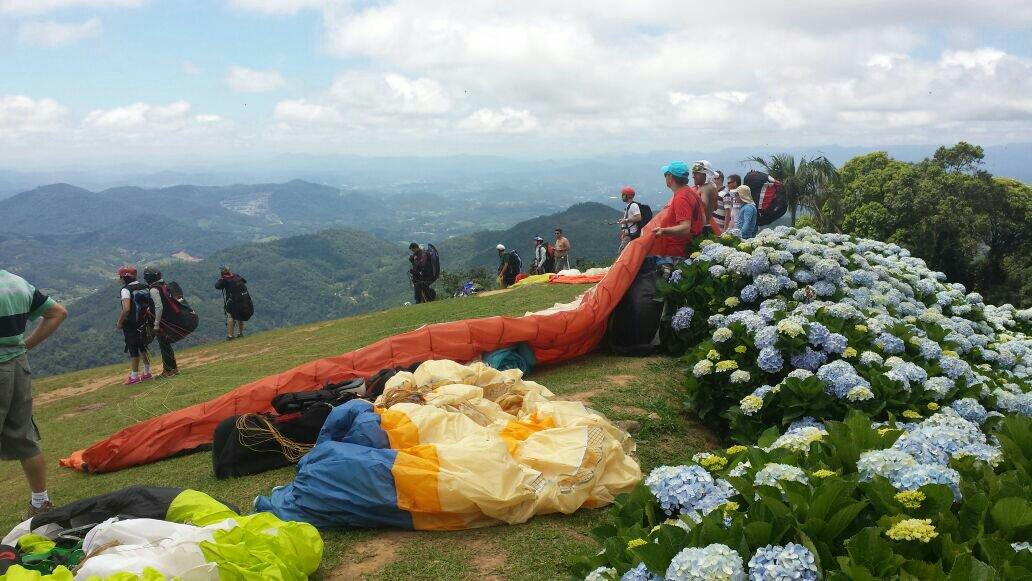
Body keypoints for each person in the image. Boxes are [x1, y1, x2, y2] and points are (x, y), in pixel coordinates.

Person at [0, 269, 67, 516]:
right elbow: (58, 313)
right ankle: (40, 503)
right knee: (26, 438)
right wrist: (24, 345)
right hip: (19, 367)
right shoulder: (16, 283)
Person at [651, 161, 706, 274]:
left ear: (670, 177)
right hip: (688, 249)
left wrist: (663, 230)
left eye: (665, 175)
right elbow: (703, 219)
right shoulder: (692, 192)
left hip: (676, 255)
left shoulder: (681, 198)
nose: (665, 178)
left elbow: (685, 227)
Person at [115, 266, 153, 384]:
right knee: (142, 346)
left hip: (131, 324)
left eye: (121, 277)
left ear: (125, 277)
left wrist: (119, 323)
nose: (120, 279)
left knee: (133, 349)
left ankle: (134, 376)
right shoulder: (145, 287)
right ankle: (147, 372)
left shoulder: (126, 290)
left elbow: (126, 309)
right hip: (144, 322)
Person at [143, 267, 179, 378]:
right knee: (165, 344)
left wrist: (156, 324)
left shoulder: (154, 289)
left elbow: (159, 306)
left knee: (164, 344)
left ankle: (169, 370)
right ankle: (172, 368)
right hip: (169, 319)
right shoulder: (163, 285)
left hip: (162, 321)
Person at [215, 266, 253, 339]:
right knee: (240, 316)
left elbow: (217, 286)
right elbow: (245, 281)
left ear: (222, 272)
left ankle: (230, 336)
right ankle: (240, 333)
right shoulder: (236, 276)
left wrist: (221, 279)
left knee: (231, 316)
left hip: (233, 301)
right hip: (244, 299)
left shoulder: (224, 279)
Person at [692, 160, 719, 228]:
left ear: (706, 175)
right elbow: (715, 207)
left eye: (696, 174)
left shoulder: (705, 189)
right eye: (693, 173)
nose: (693, 176)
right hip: (707, 225)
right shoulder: (713, 187)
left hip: (700, 228)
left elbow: (703, 206)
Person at [617, 186, 643, 255]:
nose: (622, 196)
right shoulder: (629, 206)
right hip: (628, 233)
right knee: (626, 253)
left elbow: (638, 217)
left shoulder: (633, 206)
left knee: (622, 253)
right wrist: (624, 220)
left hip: (631, 234)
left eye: (623, 194)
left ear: (627, 196)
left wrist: (626, 220)